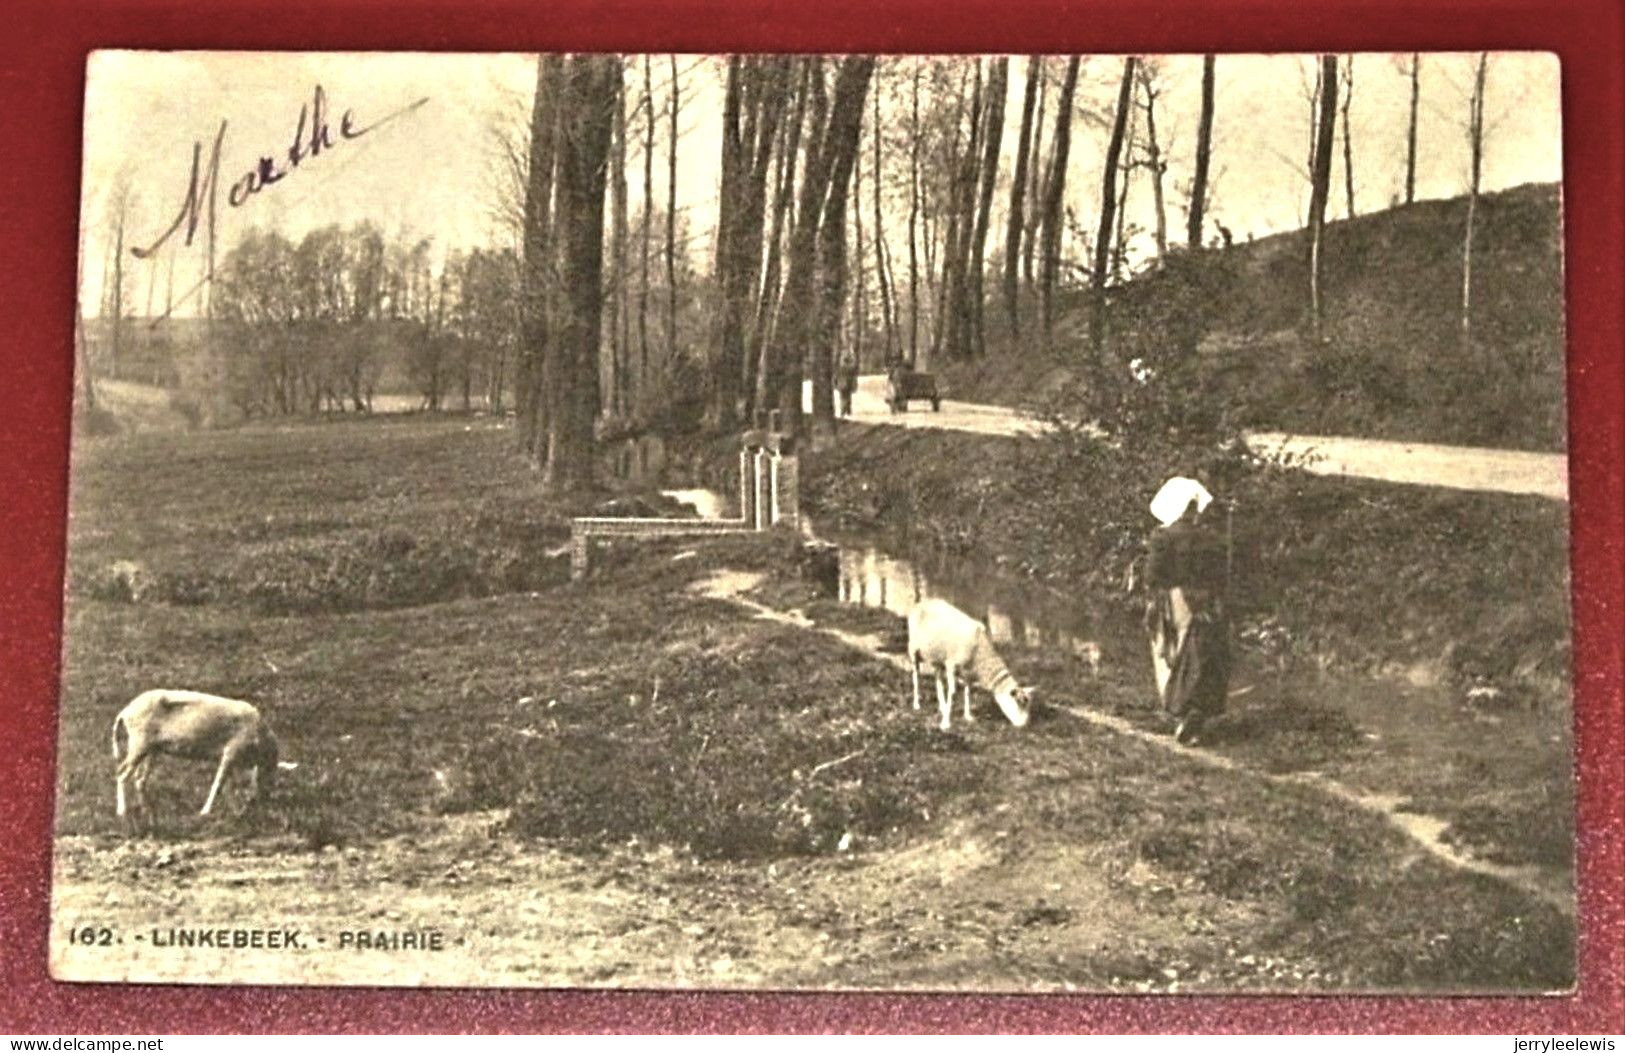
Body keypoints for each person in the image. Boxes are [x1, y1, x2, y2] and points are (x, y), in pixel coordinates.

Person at [1142, 476, 1232, 745]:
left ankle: (1180, 714)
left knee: (1171, 653)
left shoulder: (1163, 537)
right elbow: (1221, 576)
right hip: (1208, 602)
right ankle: (1197, 715)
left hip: (1175, 599)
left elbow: (1153, 576)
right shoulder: (1213, 538)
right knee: (1203, 656)